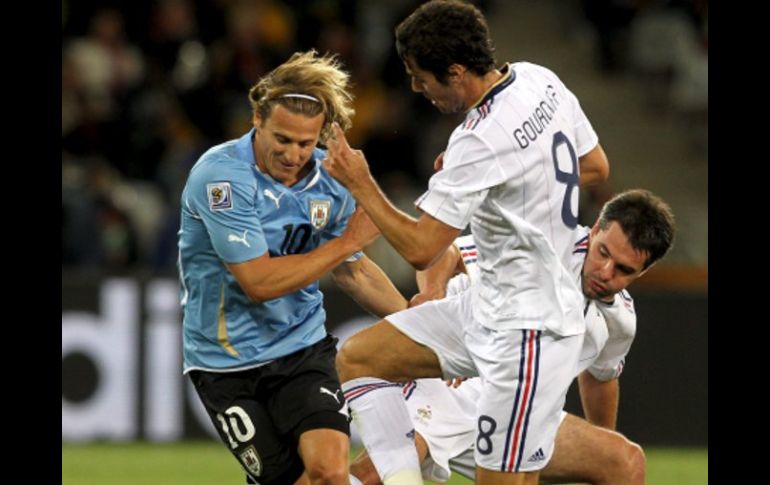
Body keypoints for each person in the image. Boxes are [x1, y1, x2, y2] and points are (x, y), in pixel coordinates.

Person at [324, 1, 610, 483]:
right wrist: (498, 182)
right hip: (486, 306)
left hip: (528, 330)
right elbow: (596, 166)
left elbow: (421, 249)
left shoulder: (478, 140)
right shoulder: (540, 80)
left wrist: (360, 182)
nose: (417, 89)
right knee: (358, 358)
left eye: (420, 78)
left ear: (455, 72)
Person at [177, 50, 406, 485]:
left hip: (302, 349)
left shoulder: (330, 181)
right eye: (282, 139)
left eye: (305, 143)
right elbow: (258, 282)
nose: (293, 154)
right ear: (257, 119)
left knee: (329, 473)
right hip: (225, 362)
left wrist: (424, 329)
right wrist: (346, 242)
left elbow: (354, 271)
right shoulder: (222, 177)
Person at [349, 189, 676, 485]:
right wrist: (433, 293)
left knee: (624, 462)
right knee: (372, 476)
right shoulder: (541, 242)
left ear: (643, 271)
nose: (606, 272)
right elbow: (448, 253)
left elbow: (600, 377)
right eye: (603, 252)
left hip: (525, 411)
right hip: (451, 386)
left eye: (623, 269)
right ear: (593, 231)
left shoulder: (620, 320)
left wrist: (600, 438)